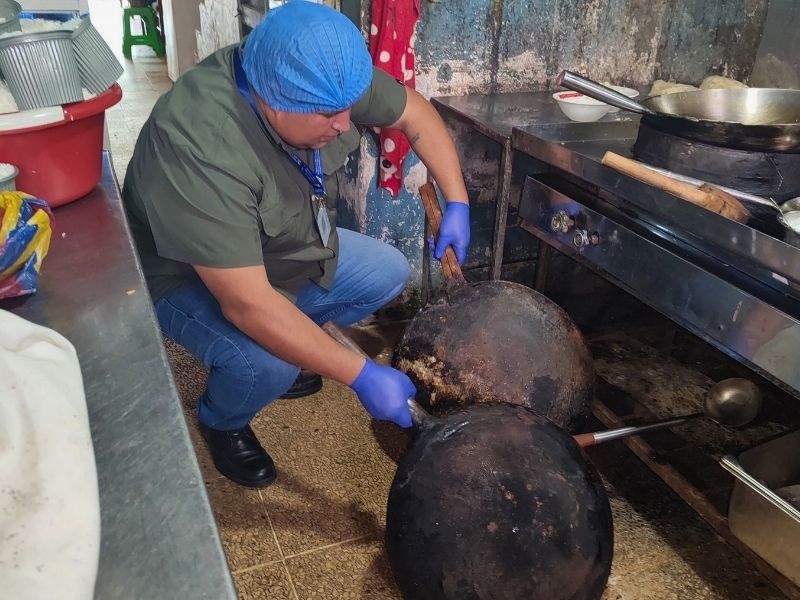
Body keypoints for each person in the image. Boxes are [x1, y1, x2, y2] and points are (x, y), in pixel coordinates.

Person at [122, 0, 470, 488]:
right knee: (265, 361)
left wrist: (457, 201)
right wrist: (359, 373)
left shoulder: (320, 78)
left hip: (278, 244)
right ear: (276, 101)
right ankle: (222, 419)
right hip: (184, 272)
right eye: (331, 116)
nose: (346, 125)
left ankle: (297, 351)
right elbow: (247, 304)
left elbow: (415, 112)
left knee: (388, 269)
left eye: (348, 109)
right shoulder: (198, 143)